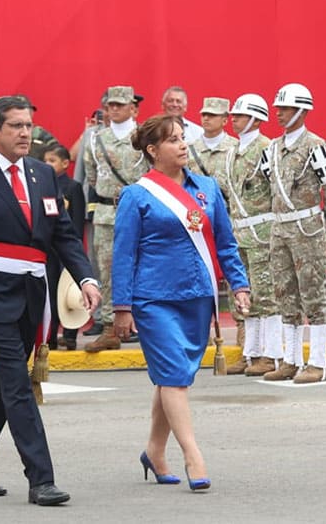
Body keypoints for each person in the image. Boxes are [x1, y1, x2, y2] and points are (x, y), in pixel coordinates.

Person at [0, 96, 101, 507]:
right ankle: (41, 478)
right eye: (16, 126)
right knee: (16, 383)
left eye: (28, 125)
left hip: (33, 291)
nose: (26, 133)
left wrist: (85, 276)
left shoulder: (43, 174)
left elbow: (63, 235)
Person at [112, 113, 250, 490]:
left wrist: (239, 285)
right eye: (173, 140)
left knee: (172, 377)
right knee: (174, 377)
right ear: (154, 151)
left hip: (197, 297)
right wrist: (122, 307)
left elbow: (224, 242)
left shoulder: (206, 188)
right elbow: (123, 255)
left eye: (183, 138)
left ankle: (155, 450)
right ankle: (193, 455)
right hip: (154, 299)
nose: (183, 144)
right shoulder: (136, 195)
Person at [262, 83, 326, 384]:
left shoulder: (316, 146)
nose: (279, 113)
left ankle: (318, 362)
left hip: (307, 227)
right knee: (284, 293)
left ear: (302, 111)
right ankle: (291, 360)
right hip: (280, 227)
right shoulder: (272, 148)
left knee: (312, 294)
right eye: (278, 108)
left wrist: (324, 226)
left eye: (285, 108)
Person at [83, 85, 146, 352]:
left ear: (133, 107)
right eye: (111, 105)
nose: (115, 109)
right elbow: (92, 175)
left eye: (121, 105)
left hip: (141, 210)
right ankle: (110, 327)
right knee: (107, 271)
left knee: (144, 268)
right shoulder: (96, 139)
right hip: (108, 212)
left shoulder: (144, 135)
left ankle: (144, 323)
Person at [221, 94, 280, 377]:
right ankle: (251, 353)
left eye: (240, 116)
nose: (234, 120)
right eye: (233, 115)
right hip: (239, 230)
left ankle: (270, 355)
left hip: (262, 230)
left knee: (265, 294)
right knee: (243, 296)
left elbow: (276, 189)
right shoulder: (233, 150)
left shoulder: (266, 148)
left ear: (256, 118)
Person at [188, 97, 243, 370]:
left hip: (230, 219)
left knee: (237, 278)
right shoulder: (189, 149)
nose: (206, 119)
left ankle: (245, 341)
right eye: (204, 114)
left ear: (225, 119)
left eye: (213, 115)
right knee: (201, 278)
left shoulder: (235, 147)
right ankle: (202, 338)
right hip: (197, 224)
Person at [43, 145, 87, 349]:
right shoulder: (42, 185)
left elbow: (77, 220)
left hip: (68, 249)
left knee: (71, 291)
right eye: (45, 161)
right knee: (50, 292)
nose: (47, 165)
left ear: (65, 164)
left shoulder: (72, 187)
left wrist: (74, 246)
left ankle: (70, 335)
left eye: (52, 161)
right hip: (48, 248)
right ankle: (49, 336)